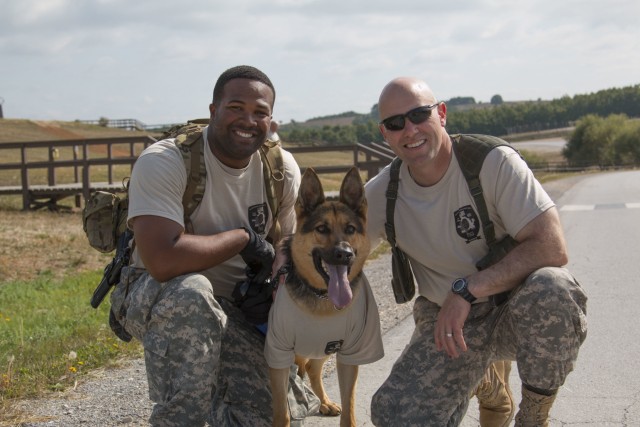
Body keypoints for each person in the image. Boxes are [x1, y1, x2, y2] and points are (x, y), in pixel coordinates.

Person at [364, 77, 588, 426]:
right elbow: (334, 246)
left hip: (513, 310)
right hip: (448, 327)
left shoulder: (491, 161)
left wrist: (467, 289)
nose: (409, 129)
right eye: (395, 123)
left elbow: (551, 245)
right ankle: (482, 378)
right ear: (385, 134)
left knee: (554, 289)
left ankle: (533, 416)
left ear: (441, 114)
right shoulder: (381, 194)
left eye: (419, 115)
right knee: (394, 416)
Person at [109, 65, 313, 426]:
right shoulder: (165, 161)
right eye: (236, 107)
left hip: (236, 305)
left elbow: (287, 249)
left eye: (260, 112)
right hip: (157, 294)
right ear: (213, 111)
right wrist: (243, 238)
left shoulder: (281, 169)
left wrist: (273, 290)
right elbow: (163, 260)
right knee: (194, 293)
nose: (248, 120)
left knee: (275, 416)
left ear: (270, 119)